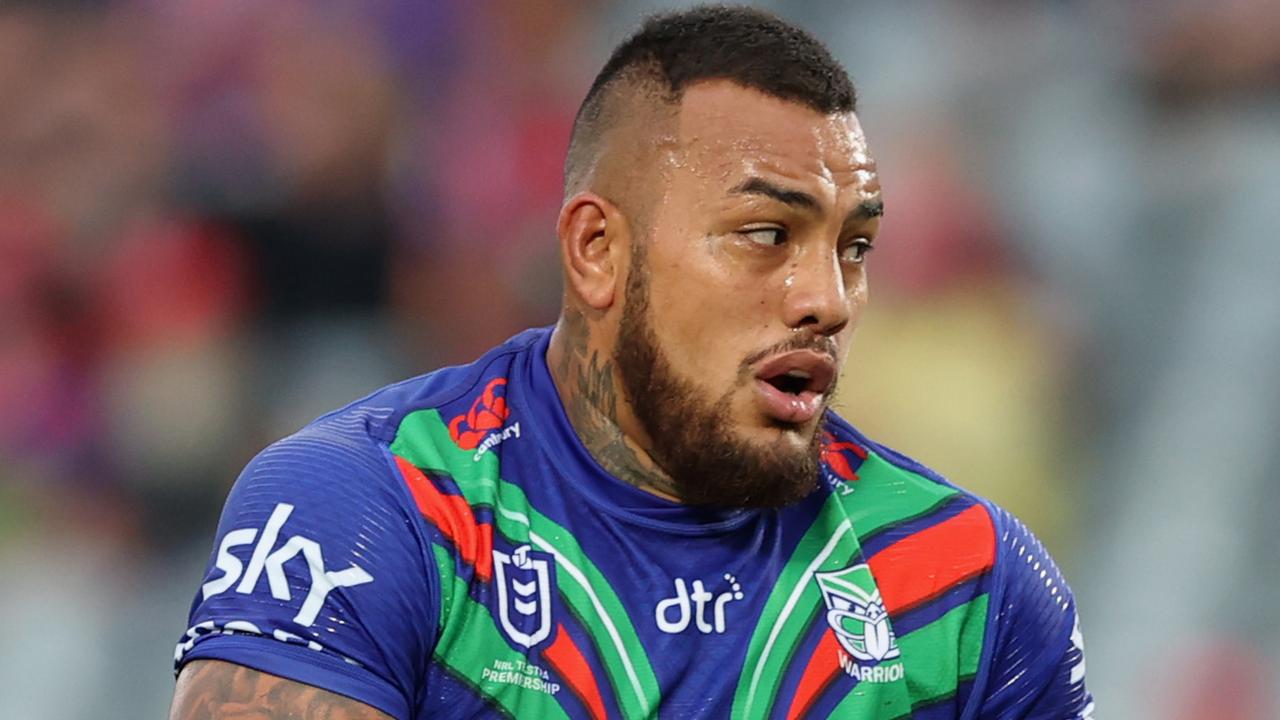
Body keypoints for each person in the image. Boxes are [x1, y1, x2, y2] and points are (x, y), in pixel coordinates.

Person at [169, 6, 1093, 719]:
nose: (830, 297)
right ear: (598, 252)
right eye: (766, 235)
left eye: (853, 246)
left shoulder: (967, 582)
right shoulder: (377, 506)